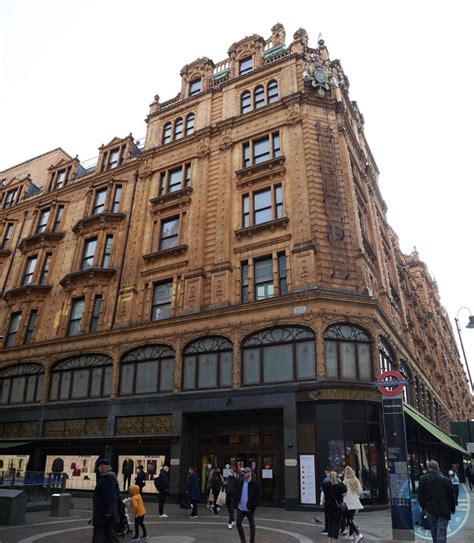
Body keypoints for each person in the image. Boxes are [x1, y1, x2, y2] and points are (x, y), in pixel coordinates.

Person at [418, 459, 456, 543]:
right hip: (444, 510)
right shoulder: (446, 480)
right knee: (441, 532)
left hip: (429, 509)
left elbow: (420, 496)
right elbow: (451, 496)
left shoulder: (422, 479)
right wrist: (452, 508)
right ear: (438, 468)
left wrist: (424, 507)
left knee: (434, 531)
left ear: (428, 468)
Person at [92, 458, 120, 543]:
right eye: (99, 466)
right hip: (101, 511)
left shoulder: (109, 479)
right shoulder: (104, 477)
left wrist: (108, 511)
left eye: (101, 466)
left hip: (103, 511)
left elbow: (110, 496)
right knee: (107, 532)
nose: (100, 468)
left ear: (106, 467)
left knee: (100, 532)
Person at [235, 467, 261, 543]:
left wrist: (254, 504)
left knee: (252, 524)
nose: (244, 474)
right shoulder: (240, 481)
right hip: (241, 507)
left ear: (250, 473)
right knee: (238, 523)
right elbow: (237, 492)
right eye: (244, 472)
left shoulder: (255, 483)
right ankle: (243, 540)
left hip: (250, 507)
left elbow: (258, 495)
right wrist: (236, 502)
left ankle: (252, 541)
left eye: (246, 472)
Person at [322, 471, 347, 543]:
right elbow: (345, 489)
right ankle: (334, 540)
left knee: (330, 523)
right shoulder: (339, 486)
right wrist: (340, 481)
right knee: (336, 524)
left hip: (328, 506)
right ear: (337, 477)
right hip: (337, 506)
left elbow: (323, 489)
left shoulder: (325, 485)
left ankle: (329, 540)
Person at [342, 466, 364, 542]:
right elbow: (360, 491)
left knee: (349, 519)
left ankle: (358, 534)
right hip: (355, 502)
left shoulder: (345, 481)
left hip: (347, 502)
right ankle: (350, 535)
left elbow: (343, 492)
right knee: (350, 518)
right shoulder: (356, 480)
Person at [319, 466, 332, 535]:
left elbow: (323, 492)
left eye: (325, 471)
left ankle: (327, 529)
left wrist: (321, 501)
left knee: (327, 516)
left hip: (327, 501)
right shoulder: (336, 479)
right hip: (334, 501)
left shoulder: (326, 480)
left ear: (327, 471)